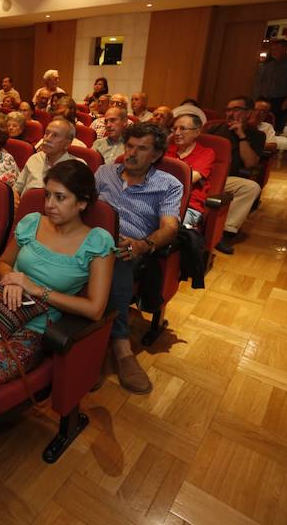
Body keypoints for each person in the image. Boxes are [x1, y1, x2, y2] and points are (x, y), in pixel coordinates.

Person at [0, 160, 113, 524]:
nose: (49, 204)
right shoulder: (30, 223)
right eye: (47, 195)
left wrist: (37, 288)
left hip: (36, 328)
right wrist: (13, 277)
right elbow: (1, 264)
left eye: (60, 197)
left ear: (82, 203)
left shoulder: (97, 241)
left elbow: (94, 308)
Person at [95, 122, 183, 394]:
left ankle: (120, 346)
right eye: (129, 146)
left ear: (156, 155)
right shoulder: (104, 172)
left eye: (141, 148)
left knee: (116, 259)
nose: (131, 153)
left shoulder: (168, 185)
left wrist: (143, 245)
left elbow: (170, 228)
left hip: (133, 248)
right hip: (92, 239)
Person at [207, 96, 265, 254]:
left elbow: (251, 163)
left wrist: (241, 136)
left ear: (249, 113)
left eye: (236, 110)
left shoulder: (256, 135)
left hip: (227, 179)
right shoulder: (213, 129)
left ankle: (225, 233)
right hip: (205, 175)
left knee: (252, 187)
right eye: (228, 110)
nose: (230, 114)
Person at [165, 114, 215, 227]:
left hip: (188, 207)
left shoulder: (206, 153)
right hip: (159, 202)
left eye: (183, 128)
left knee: (166, 228)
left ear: (197, 132)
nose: (177, 133)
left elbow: (188, 180)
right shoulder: (167, 150)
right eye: (174, 129)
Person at [13, 117, 83, 198]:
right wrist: (15, 199)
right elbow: (17, 188)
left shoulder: (78, 168)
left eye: (55, 135)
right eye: (46, 133)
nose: (47, 139)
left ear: (67, 144)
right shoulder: (35, 158)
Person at [252, 38, 287, 136]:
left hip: (280, 98)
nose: (274, 51)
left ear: (284, 49)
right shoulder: (267, 64)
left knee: (276, 127)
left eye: (277, 49)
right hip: (263, 97)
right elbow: (260, 81)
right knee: (260, 123)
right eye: (272, 49)